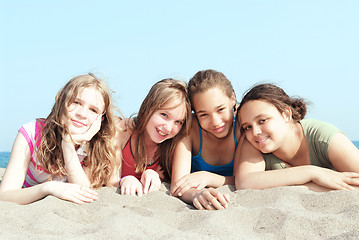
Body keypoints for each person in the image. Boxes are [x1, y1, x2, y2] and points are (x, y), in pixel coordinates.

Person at [0, 73, 121, 205]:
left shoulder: (95, 144)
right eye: (76, 102)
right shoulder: (31, 133)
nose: (82, 114)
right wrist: (49, 188)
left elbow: (83, 191)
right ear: (61, 100)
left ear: (100, 120)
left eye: (93, 110)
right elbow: (5, 195)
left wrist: (67, 143)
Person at [234, 83, 359, 192]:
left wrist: (304, 186)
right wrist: (312, 173)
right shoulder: (254, 141)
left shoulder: (323, 136)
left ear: (286, 115)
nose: (255, 131)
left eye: (262, 120)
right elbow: (245, 183)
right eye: (247, 127)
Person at [171, 69, 242, 210]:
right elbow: (178, 185)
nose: (215, 122)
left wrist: (208, 177)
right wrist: (196, 194)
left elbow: (248, 178)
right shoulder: (190, 131)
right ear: (194, 113)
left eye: (220, 109)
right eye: (204, 115)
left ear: (233, 98)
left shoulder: (243, 124)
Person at [117, 78, 191, 196]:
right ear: (148, 107)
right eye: (164, 115)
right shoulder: (122, 130)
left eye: (178, 122)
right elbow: (106, 177)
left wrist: (153, 174)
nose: (168, 128)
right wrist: (124, 180)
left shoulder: (172, 146)